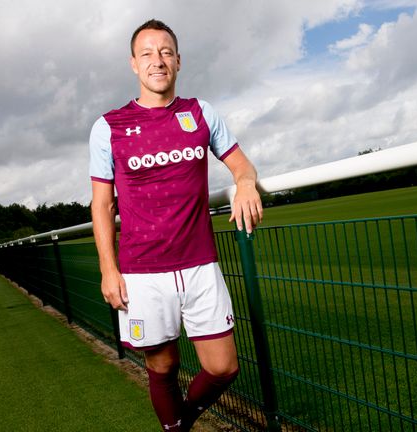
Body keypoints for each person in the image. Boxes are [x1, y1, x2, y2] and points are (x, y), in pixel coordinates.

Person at [88, 19, 263, 431]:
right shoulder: (108, 127)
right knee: (162, 366)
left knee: (223, 367)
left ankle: (179, 421)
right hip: (141, 271)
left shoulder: (200, 113)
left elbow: (240, 164)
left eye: (166, 52)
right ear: (133, 64)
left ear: (178, 61)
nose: (157, 60)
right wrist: (108, 269)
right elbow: (100, 206)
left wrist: (246, 183)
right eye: (147, 53)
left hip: (200, 263)